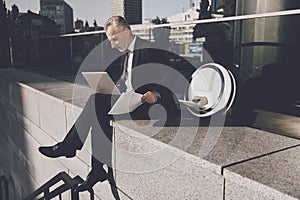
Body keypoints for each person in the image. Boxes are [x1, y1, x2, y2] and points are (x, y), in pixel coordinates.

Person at [38, 16, 191, 192]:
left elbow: (172, 74)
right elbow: (129, 83)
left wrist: (156, 94)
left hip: (151, 106)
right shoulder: (127, 55)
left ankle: (73, 150)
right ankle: (95, 169)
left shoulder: (149, 49)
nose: (112, 45)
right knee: (98, 104)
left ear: (126, 31)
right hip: (132, 102)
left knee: (96, 104)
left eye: (114, 39)